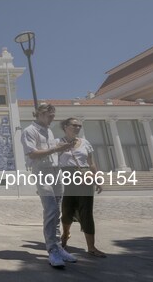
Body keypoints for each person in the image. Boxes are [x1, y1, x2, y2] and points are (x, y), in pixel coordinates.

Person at [21, 103, 78, 268]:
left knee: (58, 211)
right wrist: (55, 149)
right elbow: (32, 153)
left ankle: (58, 247)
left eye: (53, 115)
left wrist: (63, 148)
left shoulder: (49, 131)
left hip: (56, 171)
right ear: (39, 114)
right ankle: (52, 250)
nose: (53, 118)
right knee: (51, 209)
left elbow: (52, 150)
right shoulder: (29, 131)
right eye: (49, 115)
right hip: (42, 173)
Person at [58, 117, 106, 258]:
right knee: (67, 210)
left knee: (87, 211)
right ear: (65, 126)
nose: (77, 128)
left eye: (79, 126)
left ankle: (91, 247)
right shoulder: (57, 142)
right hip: (66, 177)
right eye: (74, 125)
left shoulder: (85, 142)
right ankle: (65, 235)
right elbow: (53, 162)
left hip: (84, 177)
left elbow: (91, 162)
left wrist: (97, 178)